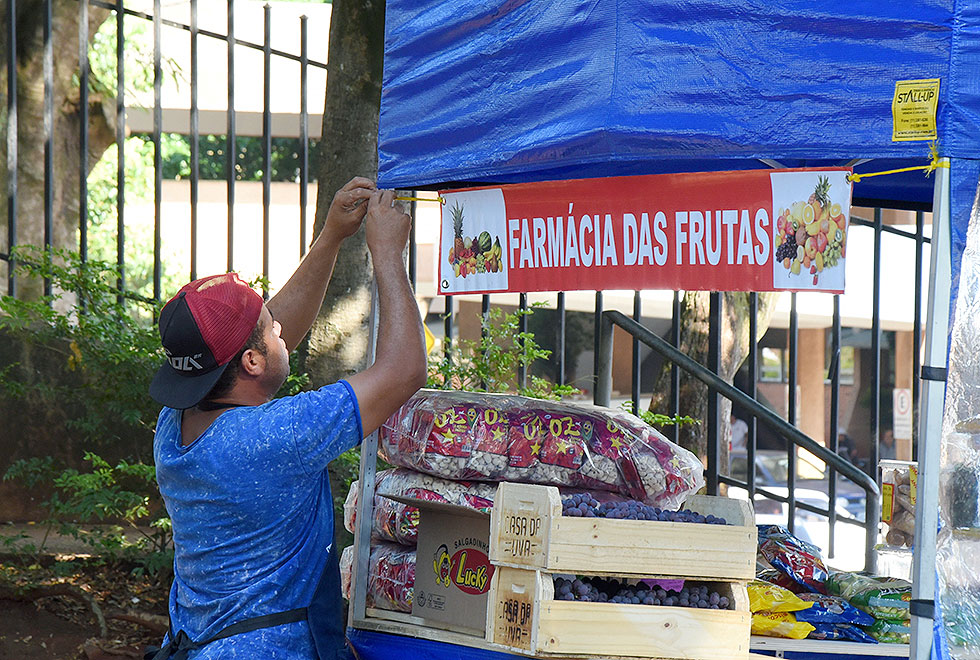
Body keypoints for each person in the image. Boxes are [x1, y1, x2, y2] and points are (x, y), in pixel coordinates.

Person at [146, 180, 427, 659]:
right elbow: (404, 370)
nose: (280, 326)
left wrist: (331, 236)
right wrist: (386, 255)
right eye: (270, 328)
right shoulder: (277, 437)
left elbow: (255, 342)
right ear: (252, 362)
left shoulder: (175, 425)